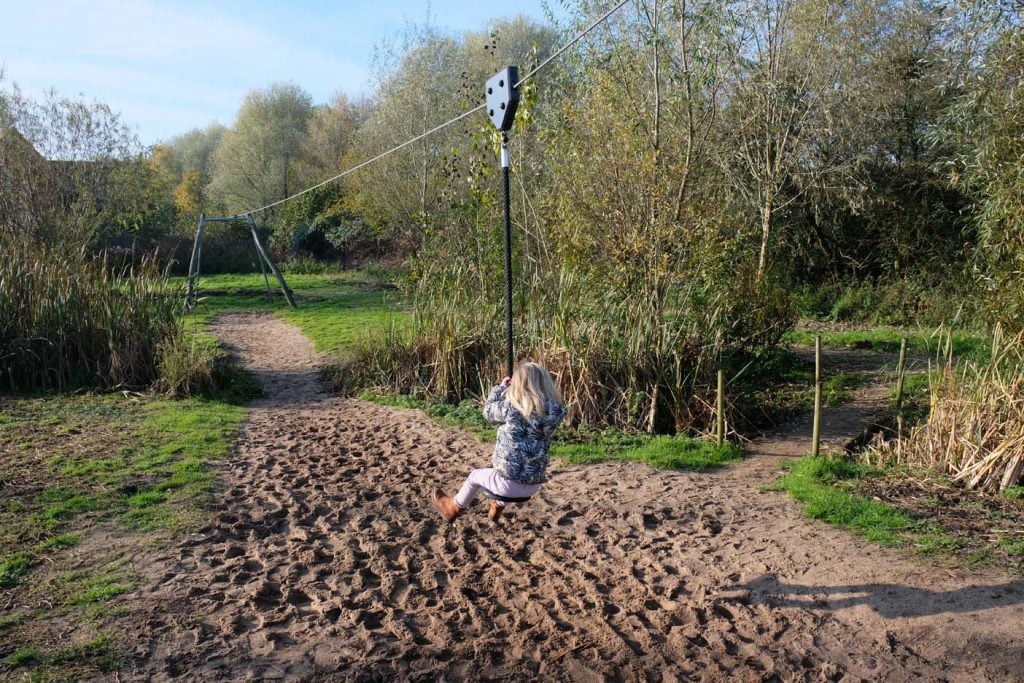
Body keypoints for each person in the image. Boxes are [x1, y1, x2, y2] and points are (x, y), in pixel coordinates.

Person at [432, 361, 566, 523]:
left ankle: (452, 508)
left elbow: (488, 411)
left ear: (518, 385)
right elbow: (534, 410)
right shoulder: (556, 411)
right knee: (509, 475)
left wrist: (500, 388)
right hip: (534, 483)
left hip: (507, 484)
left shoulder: (511, 407)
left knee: (475, 476)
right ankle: (497, 507)